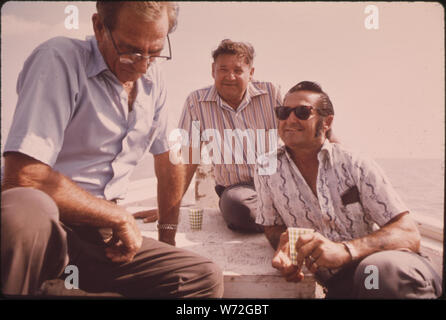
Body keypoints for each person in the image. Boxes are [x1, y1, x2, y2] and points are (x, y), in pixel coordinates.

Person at [1, 1, 223, 298]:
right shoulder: (58, 59)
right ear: (98, 27)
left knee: (200, 277)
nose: (143, 65)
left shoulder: (153, 79)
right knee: (27, 209)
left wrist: (166, 240)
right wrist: (116, 216)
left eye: (154, 52)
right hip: (48, 232)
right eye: (130, 49)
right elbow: (25, 178)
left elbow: (169, 159)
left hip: (106, 242)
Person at [253, 81, 442, 298]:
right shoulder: (265, 167)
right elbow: (272, 226)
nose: (290, 119)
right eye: (284, 112)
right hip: (341, 284)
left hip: (389, 272)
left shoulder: (354, 164)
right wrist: (288, 248)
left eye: (303, 112)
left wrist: (345, 251)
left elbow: (408, 233)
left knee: (375, 273)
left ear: (326, 122)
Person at [140, 39, 283, 233]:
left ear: (251, 73)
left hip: (278, 183)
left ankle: (281, 213)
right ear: (212, 70)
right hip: (238, 190)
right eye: (223, 70)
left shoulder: (272, 93)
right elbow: (188, 159)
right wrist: (168, 207)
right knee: (242, 211)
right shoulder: (196, 102)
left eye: (238, 70)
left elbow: (300, 136)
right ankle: (282, 216)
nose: (230, 77)